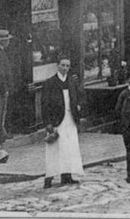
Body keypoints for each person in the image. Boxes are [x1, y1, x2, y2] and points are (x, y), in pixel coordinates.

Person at [42, 54, 84, 189]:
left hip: (70, 118)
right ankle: (49, 177)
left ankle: (67, 175)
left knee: (69, 147)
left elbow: (78, 97)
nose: (65, 68)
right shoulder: (50, 83)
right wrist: (48, 123)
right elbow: (45, 104)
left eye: (67, 66)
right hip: (56, 119)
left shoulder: (72, 82)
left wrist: (78, 108)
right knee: (54, 148)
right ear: (57, 65)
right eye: (63, 65)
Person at [0, 29, 15, 142]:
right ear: (2, 41)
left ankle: (2, 133)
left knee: (1, 112)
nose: (8, 42)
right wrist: (5, 88)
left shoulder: (0, 51)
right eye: (7, 40)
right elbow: (0, 73)